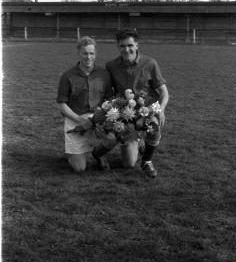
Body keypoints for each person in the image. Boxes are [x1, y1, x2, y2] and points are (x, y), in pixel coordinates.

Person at [91, 28, 169, 178]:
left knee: (154, 126)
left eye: (130, 45)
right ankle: (97, 154)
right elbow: (108, 93)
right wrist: (105, 114)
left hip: (147, 110)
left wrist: (161, 110)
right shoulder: (111, 66)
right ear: (118, 47)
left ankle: (146, 161)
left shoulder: (150, 63)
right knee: (127, 162)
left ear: (137, 45)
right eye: (122, 46)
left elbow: (164, 93)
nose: (126, 49)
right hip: (124, 113)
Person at [56, 36, 112, 173]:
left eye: (91, 53)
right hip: (76, 119)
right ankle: (72, 153)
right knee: (80, 168)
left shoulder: (104, 74)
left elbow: (109, 101)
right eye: (85, 53)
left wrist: (99, 119)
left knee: (112, 137)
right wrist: (80, 119)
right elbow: (62, 105)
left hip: (97, 118)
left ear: (95, 54)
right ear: (78, 54)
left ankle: (98, 153)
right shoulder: (67, 76)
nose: (88, 57)